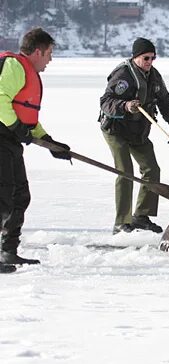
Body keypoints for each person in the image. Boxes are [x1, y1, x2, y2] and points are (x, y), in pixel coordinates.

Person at [0, 28, 72, 266]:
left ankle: (8, 250)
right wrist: (16, 128)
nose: (50, 59)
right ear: (38, 51)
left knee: (19, 195)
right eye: (49, 53)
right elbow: (0, 100)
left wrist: (49, 141)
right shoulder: (15, 67)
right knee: (4, 197)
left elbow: (25, 115)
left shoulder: (26, 71)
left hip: (9, 140)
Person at [99, 37, 169, 234]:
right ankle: (121, 222)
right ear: (136, 57)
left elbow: (165, 100)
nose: (150, 62)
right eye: (146, 58)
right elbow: (106, 102)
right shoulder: (123, 75)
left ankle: (141, 216)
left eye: (153, 58)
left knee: (152, 169)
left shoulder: (154, 76)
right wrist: (125, 106)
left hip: (138, 131)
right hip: (116, 130)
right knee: (125, 172)